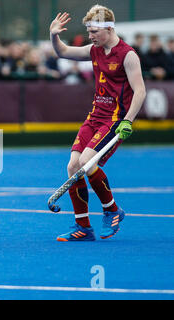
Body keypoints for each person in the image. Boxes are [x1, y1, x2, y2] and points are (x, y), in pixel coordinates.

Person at [49, 6, 146, 241]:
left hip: (114, 120)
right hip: (94, 117)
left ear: (108, 28)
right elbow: (62, 52)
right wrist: (53, 35)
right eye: (89, 31)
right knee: (73, 167)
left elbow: (140, 90)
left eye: (94, 31)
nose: (90, 36)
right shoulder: (95, 50)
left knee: (86, 162)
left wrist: (128, 121)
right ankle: (83, 227)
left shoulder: (127, 54)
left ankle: (112, 210)